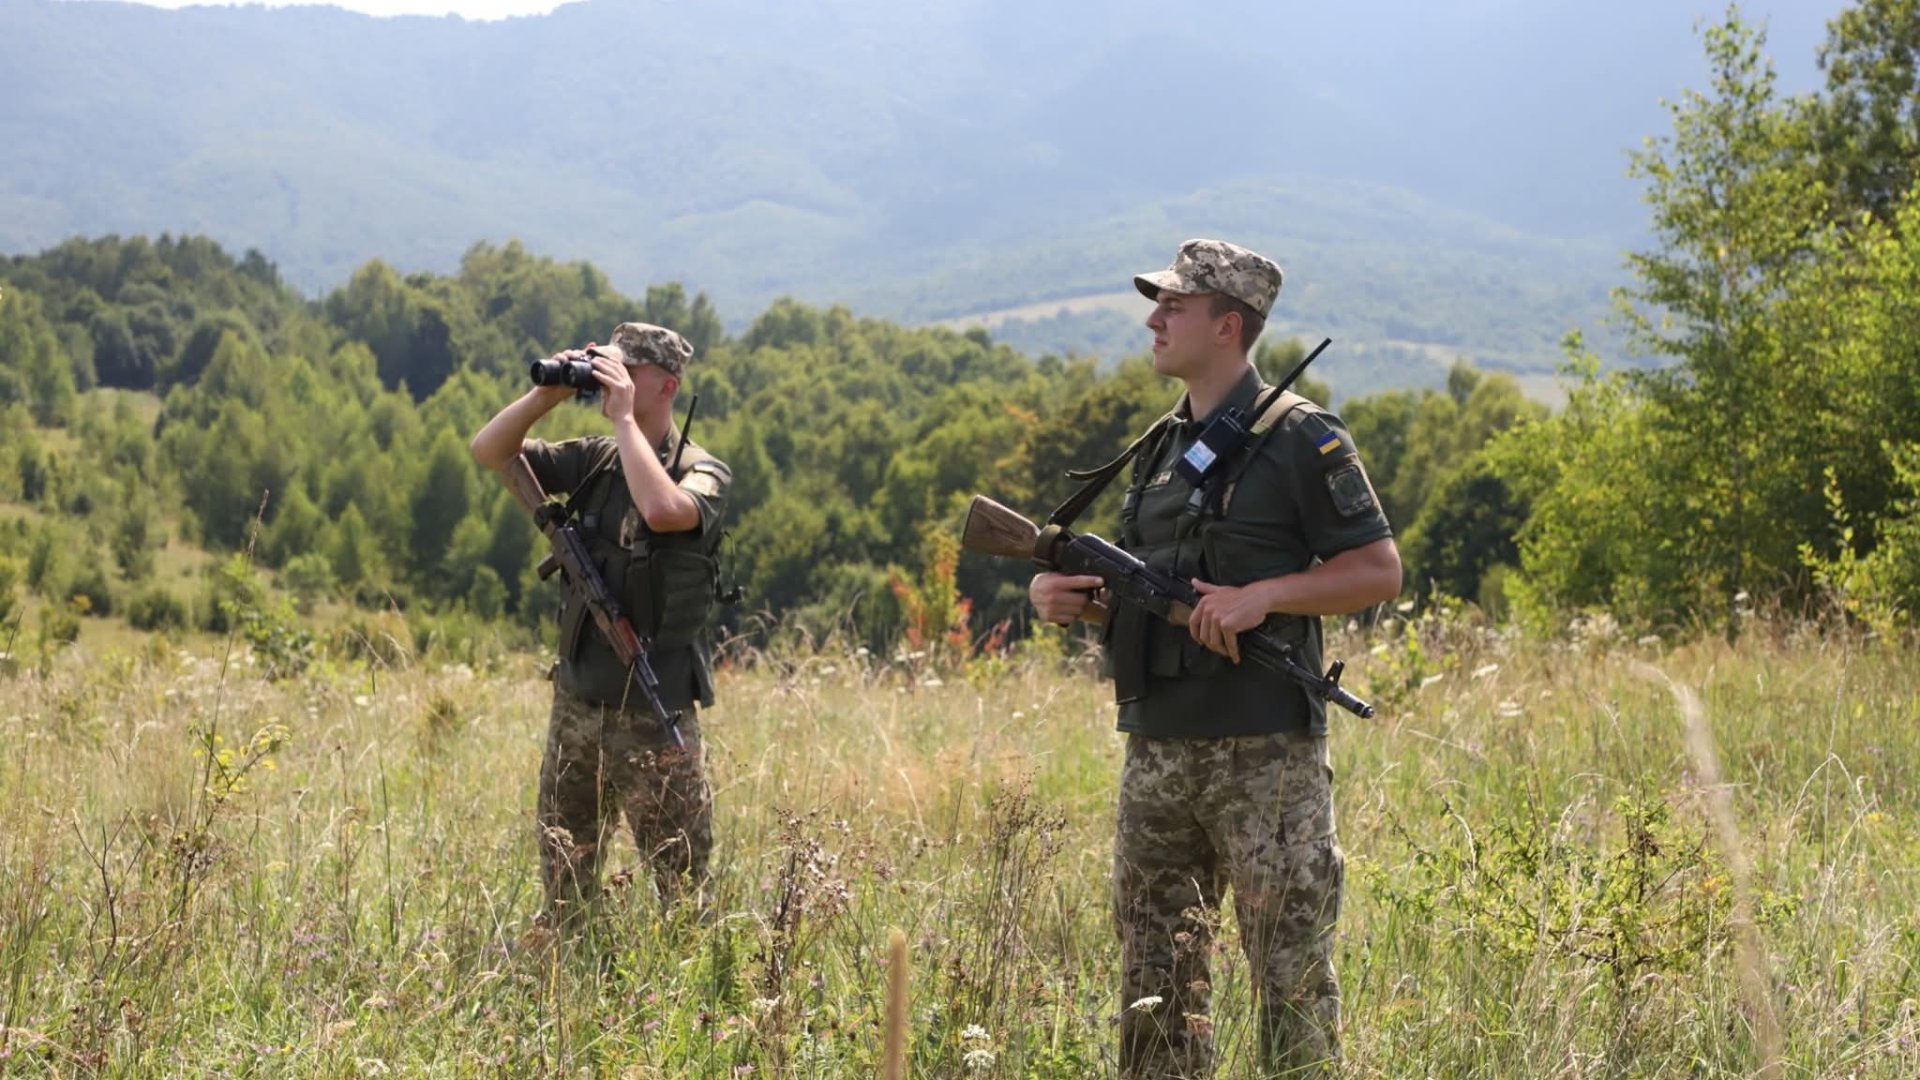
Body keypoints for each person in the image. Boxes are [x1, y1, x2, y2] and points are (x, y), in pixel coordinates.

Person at [1029, 239, 1402, 1077]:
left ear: (1228, 325)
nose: (1154, 321)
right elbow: (1146, 595)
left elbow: (1379, 571)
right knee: (1153, 989)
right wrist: (1069, 600)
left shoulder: (1302, 436)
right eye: (1157, 305)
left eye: (1175, 306)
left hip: (1265, 758)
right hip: (1157, 752)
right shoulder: (1160, 448)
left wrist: (1264, 595)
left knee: (1290, 986)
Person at [469, 321, 731, 928]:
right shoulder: (595, 459)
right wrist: (547, 395)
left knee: (681, 894)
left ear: (667, 386)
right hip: (578, 707)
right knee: (565, 883)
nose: (612, 379)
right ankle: (573, 971)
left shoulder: (703, 471)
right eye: (608, 367)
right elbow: (490, 452)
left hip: (654, 715)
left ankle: (681, 984)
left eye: (628, 371)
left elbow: (662, 510)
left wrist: (624, 422)